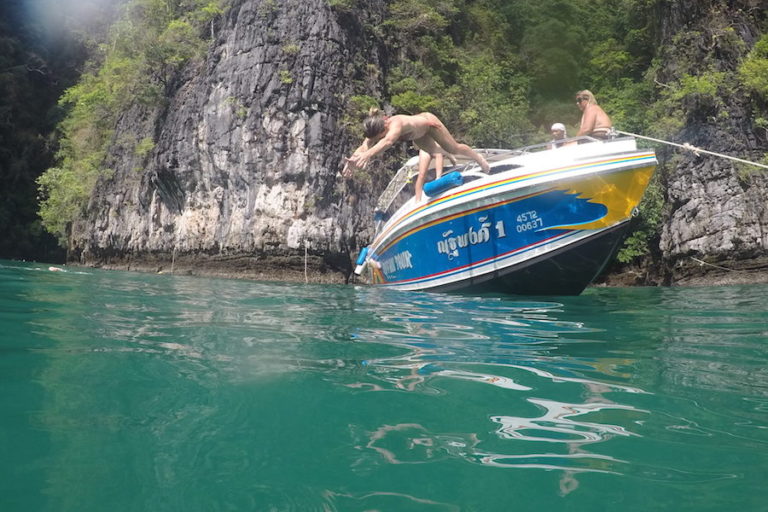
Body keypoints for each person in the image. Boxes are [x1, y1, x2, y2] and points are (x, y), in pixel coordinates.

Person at [342, 108, 490, 199]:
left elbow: (387, 142)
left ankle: (479, 159)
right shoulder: (375, 129)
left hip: (429, 124)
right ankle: (446, 153)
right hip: (418, 135)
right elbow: (364, 145)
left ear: (382, 130)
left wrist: (368, 155)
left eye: (377, 138)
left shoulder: (395, 124)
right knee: (434, 151)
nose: (374, 140)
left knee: (454, 148)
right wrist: (352, 163)